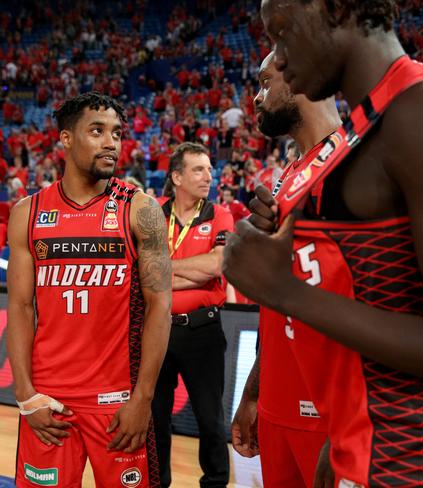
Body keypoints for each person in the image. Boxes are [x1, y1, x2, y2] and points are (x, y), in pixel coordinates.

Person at [222, 1, 423, 486]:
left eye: (282, 33)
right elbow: (377, 305)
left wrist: (284, 289)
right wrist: (342, 441)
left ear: (336, 9)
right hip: (368, 444)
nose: (278, 56)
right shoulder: (359, 133)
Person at [7, 92, 172, 487]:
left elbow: (160, 308)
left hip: (117, 404)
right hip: (49, 403)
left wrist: (143, 398)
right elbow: (19, 306)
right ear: (66, 138)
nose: (111, 142)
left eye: (116, 133)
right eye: (97, 131)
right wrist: (26, 393)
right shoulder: (27, 213)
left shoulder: (141, 210)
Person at [231, 52, 340, 487]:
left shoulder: (356, 167)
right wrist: (255, 390)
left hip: (329, 416)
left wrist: (350, 427)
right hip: (278, 404)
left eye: (263, 83)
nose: (257, 97)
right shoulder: (286, 175)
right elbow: (275, 305)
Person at [151, 142, 234, 488]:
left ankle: (214, 484)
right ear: (177, 177)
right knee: (154, 420)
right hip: (156, 329)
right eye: (198, 169)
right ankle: (158, 483)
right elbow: (142, 271)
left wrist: (164, 270)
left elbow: (217, 265)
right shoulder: (153, 211)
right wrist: (190, 273)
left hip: (202, 331)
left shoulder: (220, 214)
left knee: (210, 420)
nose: (208, 176)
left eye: (209, 169)